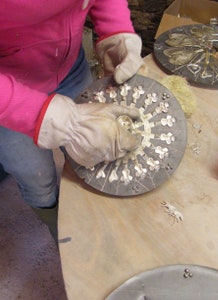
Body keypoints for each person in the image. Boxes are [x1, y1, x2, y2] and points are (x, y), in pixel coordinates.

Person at [0, 0, 144, 243]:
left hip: (70, 67)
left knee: (96, 152)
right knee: (36, 176)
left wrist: (115, 28)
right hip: (8, 95)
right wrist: (43, 117)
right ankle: (64, 233)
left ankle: (93, 220)